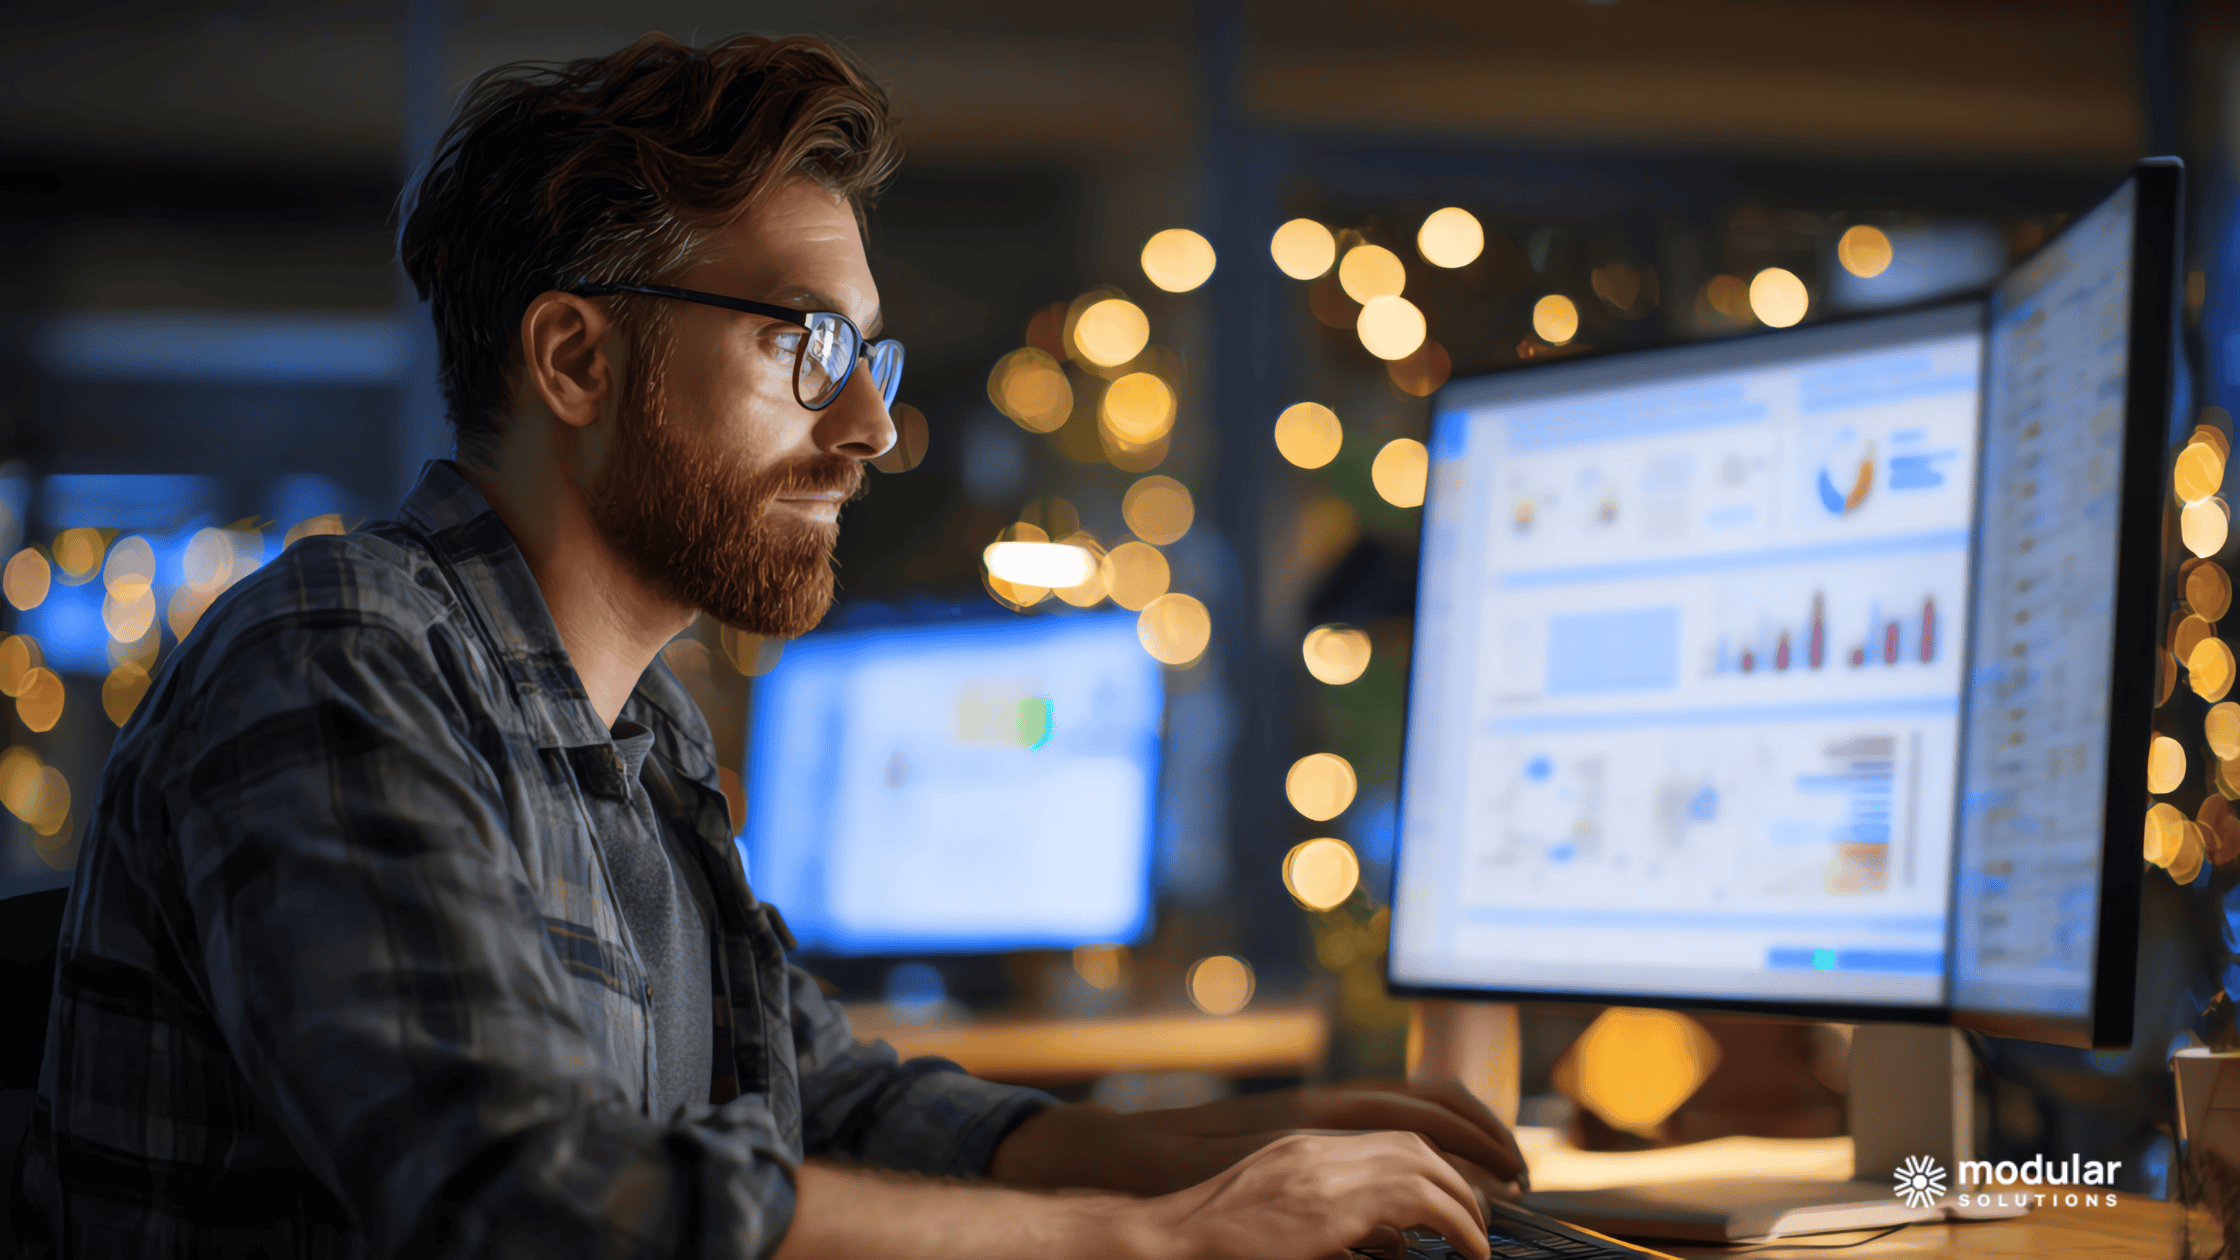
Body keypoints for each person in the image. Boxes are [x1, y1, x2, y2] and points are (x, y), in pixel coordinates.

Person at [25, 32, 1522, 1260]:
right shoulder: (337, 656)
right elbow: (524, 1198)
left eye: (865, 354)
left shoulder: (640, 731)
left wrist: (1261, 1141)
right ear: (574, 358)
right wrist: (1166, 1240)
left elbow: (825, 1100)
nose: (868, 425)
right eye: (802, 343)